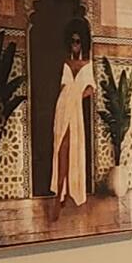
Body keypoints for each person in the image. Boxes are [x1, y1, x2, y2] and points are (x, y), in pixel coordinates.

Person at [50, 20, 96, 206]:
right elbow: (63, 85)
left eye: (77, 41)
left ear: (82, 43)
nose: (75, 45)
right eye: (72, 41)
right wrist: (72, 94)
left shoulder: (87, 64)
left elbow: (91, 88)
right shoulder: (66, 63)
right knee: (61, 146)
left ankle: (72, 191)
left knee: (74, 148)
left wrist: (78, 95)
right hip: (63, 107)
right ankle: (59, 192)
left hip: (76, 110)